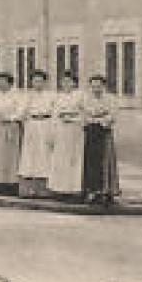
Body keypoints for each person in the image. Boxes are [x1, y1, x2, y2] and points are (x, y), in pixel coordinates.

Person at [47, 70, 89, 201]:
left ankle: (74, 189)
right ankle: (59, 189)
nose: (66, 84)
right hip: (61, 130)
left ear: (74, 83)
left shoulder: (80, 96)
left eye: (69, 81)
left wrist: (73, 119)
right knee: (60, 159)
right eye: (63, 81)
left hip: (75, 130)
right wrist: (52, 132)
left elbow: (85, 114)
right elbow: (54, 115)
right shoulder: (58, 97)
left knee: (74, 159)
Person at [80, 74, 121, 205]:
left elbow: (113, 115)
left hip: (104, 132)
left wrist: (100, 119)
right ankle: (92, 191)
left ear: (103, 86)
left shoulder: (110, 99)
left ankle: (107, 191)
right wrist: (92, 119)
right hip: (91, 132)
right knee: (91, 162)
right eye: (93, 86)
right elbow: (83, 114)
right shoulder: (86, 99)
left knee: (106, 161)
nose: (96, 88)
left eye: (99, 86)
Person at [17, 69, 56, 198]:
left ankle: (45, 188)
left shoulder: (52, 95)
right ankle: (29, 188)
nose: (37, 83)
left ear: (45, 82)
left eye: (40, 81)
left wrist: (53, 129)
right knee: (30, 155)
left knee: (45, 155)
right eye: (35, 81)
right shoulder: (27, 96)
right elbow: (21, 112)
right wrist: (20, 119)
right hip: (32, 125)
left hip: (46, 124)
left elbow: (55, 112)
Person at [0, 72, 24, 194]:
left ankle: (10, 183)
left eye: (3, 81)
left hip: (11, 127)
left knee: (10, 156)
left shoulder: (17, 96)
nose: (0, 84)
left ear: (9, 82)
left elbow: (21, 111)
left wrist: (12, 118)